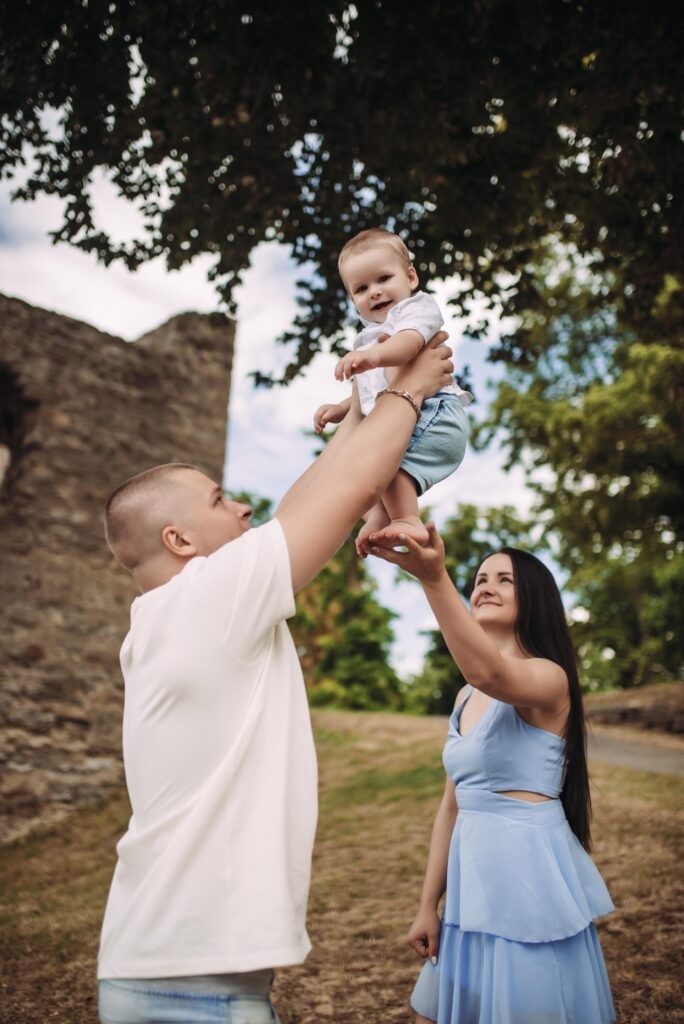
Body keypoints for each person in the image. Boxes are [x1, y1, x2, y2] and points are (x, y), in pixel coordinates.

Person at [96, 340, 455, 1024]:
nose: (241, 509)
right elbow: (345, 494)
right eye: (220, 499)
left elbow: (306, 497)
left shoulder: (173, 613)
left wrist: (360, 410)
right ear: (179, 540)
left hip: (153, 965)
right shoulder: (208, 598)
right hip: (195, 991)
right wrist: (412, 389)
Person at [370, 525, 616, 1024]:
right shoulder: (465, 697)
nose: (485, 585)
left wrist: (432, 578)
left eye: (504, 579)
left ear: (535, 598)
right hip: (471, 883)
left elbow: (491, 673)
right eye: (480, 577)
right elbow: (451, 807)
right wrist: (427, 905)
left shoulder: (549, 677)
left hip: (526, 882)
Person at [313, 228, 472, 555]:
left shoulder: (415, 309)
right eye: (361, 288)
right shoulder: (369, 336)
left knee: (387, 465)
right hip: (410, 413)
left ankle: (406, 518)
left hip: (435, 414)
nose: (374, 292)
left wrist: (373, 357)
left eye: (383, 278)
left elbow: (407, 346)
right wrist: (343, 408)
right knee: (373, 464)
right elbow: (377, 389)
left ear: (411, 277)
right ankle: (381, 518)